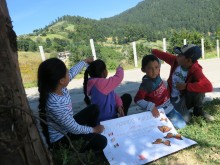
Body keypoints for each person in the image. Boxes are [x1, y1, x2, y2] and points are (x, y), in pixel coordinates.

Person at [37, 57, 107, 152]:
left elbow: (72, 72)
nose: (68, 73)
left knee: (93, 108)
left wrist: (84, 61)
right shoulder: (54, 103)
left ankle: (90, 135)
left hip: (68, 126)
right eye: (66, 72)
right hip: (62, 138)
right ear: (61, 80)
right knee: (102, 141)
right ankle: (84, 152)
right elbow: (74, 128)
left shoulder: (58, 87)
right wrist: (94, 129)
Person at [152, 44, 214, 122]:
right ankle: (182, 111)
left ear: (188, 60)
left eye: (180, 55)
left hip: (184, 99)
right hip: (172, 99)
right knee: (185, 119)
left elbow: (208, 86)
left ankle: (198, 111)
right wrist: (153, 51)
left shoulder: (196, 69)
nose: (177, 56)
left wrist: (186, 86)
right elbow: (164, 55)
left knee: (200, 89)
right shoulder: (175, 61)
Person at [134, 54, 186, 129]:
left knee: (182, 124)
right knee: (165, 128)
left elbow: (159, 61)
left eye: (156, 67)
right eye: (150, 68)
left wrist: (154, 52)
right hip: (158, 112)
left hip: (169, 107)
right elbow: (137, 99)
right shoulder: (146, 85)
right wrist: (151, 107)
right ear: (143, 70)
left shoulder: (157, 74)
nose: (154, 71)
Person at [83, 59, 132, 124]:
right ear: (104, 72)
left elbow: (114, 95)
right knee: (127, 97)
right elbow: (118, 78)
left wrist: (119, 105)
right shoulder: (100, 84)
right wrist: (119, 69)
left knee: (126, 97)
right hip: (105, 120)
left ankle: (121, 117)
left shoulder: (97, 83)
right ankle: (121, 121)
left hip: (108, 114)